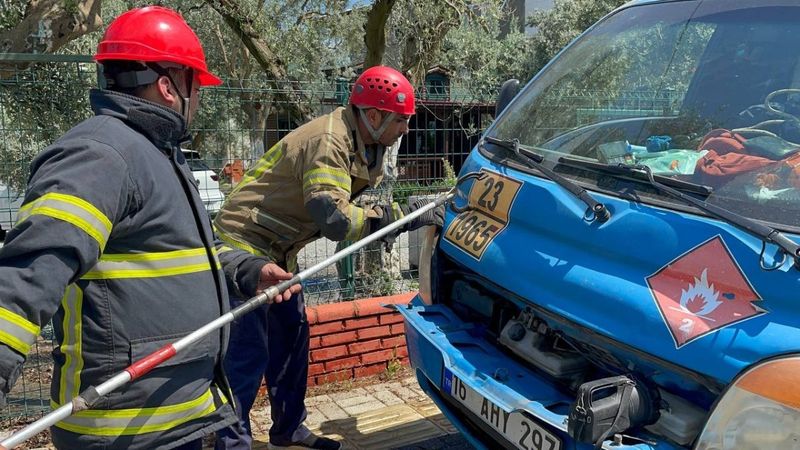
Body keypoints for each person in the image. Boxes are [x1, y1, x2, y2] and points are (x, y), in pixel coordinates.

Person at [0, 6, 298, 450]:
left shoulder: (158, 155)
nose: (200, 98)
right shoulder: (101, 155)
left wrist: (246, 270)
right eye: (197, 85)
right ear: (169, 85)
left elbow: (190, 250)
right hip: (125, 433)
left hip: (174, 420)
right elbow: (24, 278)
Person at [213, 66, 442, 450]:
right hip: (245, 245)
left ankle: (289, 429)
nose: (406, 129)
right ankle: (231, 443)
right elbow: (333, 218)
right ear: (374, 116)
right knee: (247, 353)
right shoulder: (330, 140)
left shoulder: (363, 142)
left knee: (292, 337)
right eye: (401, 120)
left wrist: (396, 216)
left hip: (279, 249)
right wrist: (399, 218)